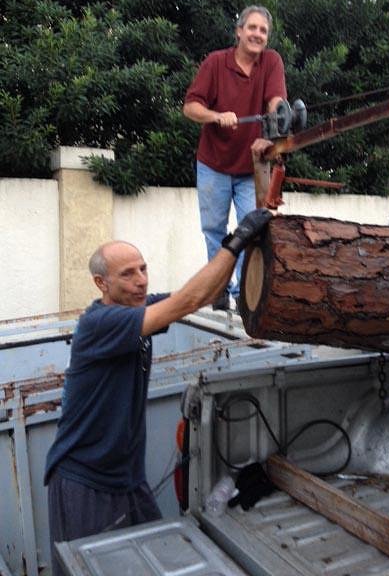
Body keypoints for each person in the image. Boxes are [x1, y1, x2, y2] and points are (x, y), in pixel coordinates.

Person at [44, 208, 272, 576]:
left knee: (157, 558)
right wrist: (235, 242)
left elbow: (203, 294)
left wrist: (245, 247)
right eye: (127, 274)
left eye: (143, 269)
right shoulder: (100, 323)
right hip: (88, 482)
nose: (141, 280)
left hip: (127, 478)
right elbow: (187, 302)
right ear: (101, 283)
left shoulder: (138, 307)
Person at [183, 5, 287, 311]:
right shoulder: (216, 62)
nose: (257, 34)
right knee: (214, 231)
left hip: (251, 167)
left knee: (253, 230)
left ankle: (244, 297)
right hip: (213, 164)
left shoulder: (271, 61)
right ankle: (219, 291)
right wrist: (216, 116)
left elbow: (276, 101)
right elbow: (190, 107)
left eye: (263, 30)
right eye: (252, 28)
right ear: (239, 31)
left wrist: (272, 131)